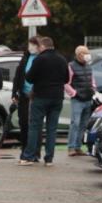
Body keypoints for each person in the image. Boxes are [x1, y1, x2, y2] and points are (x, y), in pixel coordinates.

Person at [19, 36, 68, 167]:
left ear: (42, 46)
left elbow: (29, 78)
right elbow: (67, 78)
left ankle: (29, 156)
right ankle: (49, 159)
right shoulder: (62, 59)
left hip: (40, 96)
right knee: (52, 129)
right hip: (57, 97)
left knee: (35, 127)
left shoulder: (40, 59)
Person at [65, 45, 96, 157]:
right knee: (75, 123)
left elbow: (92, 79)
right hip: (77, 100)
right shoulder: (71, 66)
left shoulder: (88, 66)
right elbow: (66, 83)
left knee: (83, 124)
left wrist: (93, 88)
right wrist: (74, 93)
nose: (87, 55)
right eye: (85, 53)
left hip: (88, 98)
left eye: (87, 53)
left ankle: (78, 147)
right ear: (78, 55)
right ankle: (71, 147)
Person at [11, 37, 40, 151]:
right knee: (23, 123)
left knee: (35, 124)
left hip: (36, 96)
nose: (31, 47)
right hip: (24, 95)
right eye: (30, 45)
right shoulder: (25, 58)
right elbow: (17, 76)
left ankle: (35, 151)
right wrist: (14, 93)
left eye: (34, 45)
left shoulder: (41, 58)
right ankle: (25, 148)